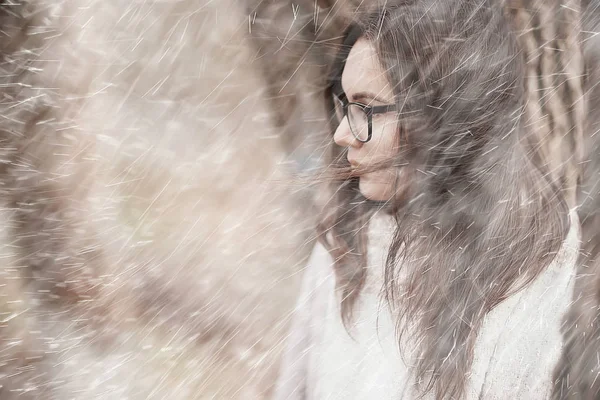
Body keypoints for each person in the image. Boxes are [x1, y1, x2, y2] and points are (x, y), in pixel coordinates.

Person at [273, 0, 581, 399]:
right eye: (346, 105)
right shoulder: (348, 243)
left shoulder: (551, 283)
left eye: (367, 109)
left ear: (448, 118)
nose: (343, 134)